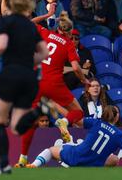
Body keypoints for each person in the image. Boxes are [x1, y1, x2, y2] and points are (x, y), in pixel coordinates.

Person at [0, 0, 49, 175]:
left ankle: (4, 164)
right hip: (29, 77)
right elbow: (44, 53)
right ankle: (41, 109)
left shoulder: (6, 21)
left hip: (11, 74)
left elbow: (2, 45)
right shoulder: (30, 25)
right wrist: (29, 63)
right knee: (16, 126)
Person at [15, 11, 89, 168]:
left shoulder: (45, 33)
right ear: (69, 32)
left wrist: (48, 13)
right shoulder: (69, 44)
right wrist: (84, 80)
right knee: (78, 112)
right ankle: (64, 121)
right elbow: (76, 67)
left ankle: (22, 158)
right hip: (54, 83)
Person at [26, 105, 122, 168]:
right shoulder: (120, 135)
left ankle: (34, 165)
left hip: (77, 156)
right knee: (115, 159)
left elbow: (75, 120)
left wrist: (58, 108)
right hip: (94, 165)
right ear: (116, 117)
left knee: (51, 151)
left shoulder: (96, 123)